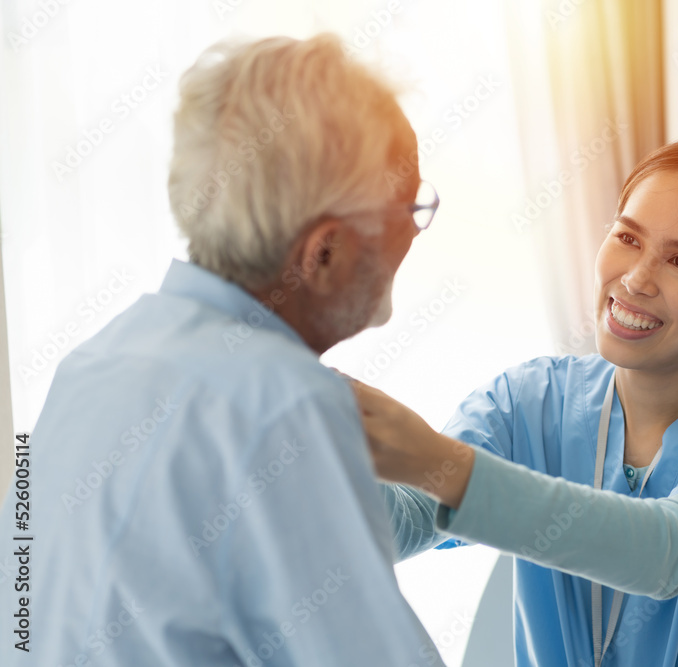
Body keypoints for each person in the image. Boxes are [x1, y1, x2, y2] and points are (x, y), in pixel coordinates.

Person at [0, 34, 445, 666]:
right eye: (411, 205)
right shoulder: (280, 403)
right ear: (324, 252)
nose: (414, 230)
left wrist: (450, 476)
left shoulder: (92, 364)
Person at [355, 137, 678, 667]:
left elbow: (667, 553)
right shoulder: (525, 402)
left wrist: (436, 462)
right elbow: (400, 526)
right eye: (628, 237)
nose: (635, 279)